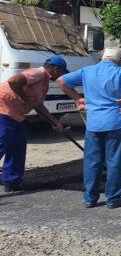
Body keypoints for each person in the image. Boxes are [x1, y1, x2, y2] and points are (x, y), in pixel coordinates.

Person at [57, 48, 121, 209]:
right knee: (114, 161)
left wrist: (77, 98)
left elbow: (61, 80)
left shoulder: (87, 71)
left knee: (92, 161)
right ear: (120, 60)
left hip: (94, 124)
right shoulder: (120, 72)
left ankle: (90, 198)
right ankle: (113, 199)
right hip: (116, 123)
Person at [0, 56, 69, 192]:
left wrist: (54, 122)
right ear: (55, 69)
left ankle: (12, 181)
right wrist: (27, 99)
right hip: (4, 109)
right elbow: (14, 81)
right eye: (61, 72)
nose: (61, 75)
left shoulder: (44, 83)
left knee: (18, 145)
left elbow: (38, 106)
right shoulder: (38, 73)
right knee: (2, 143)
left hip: (16, 114)